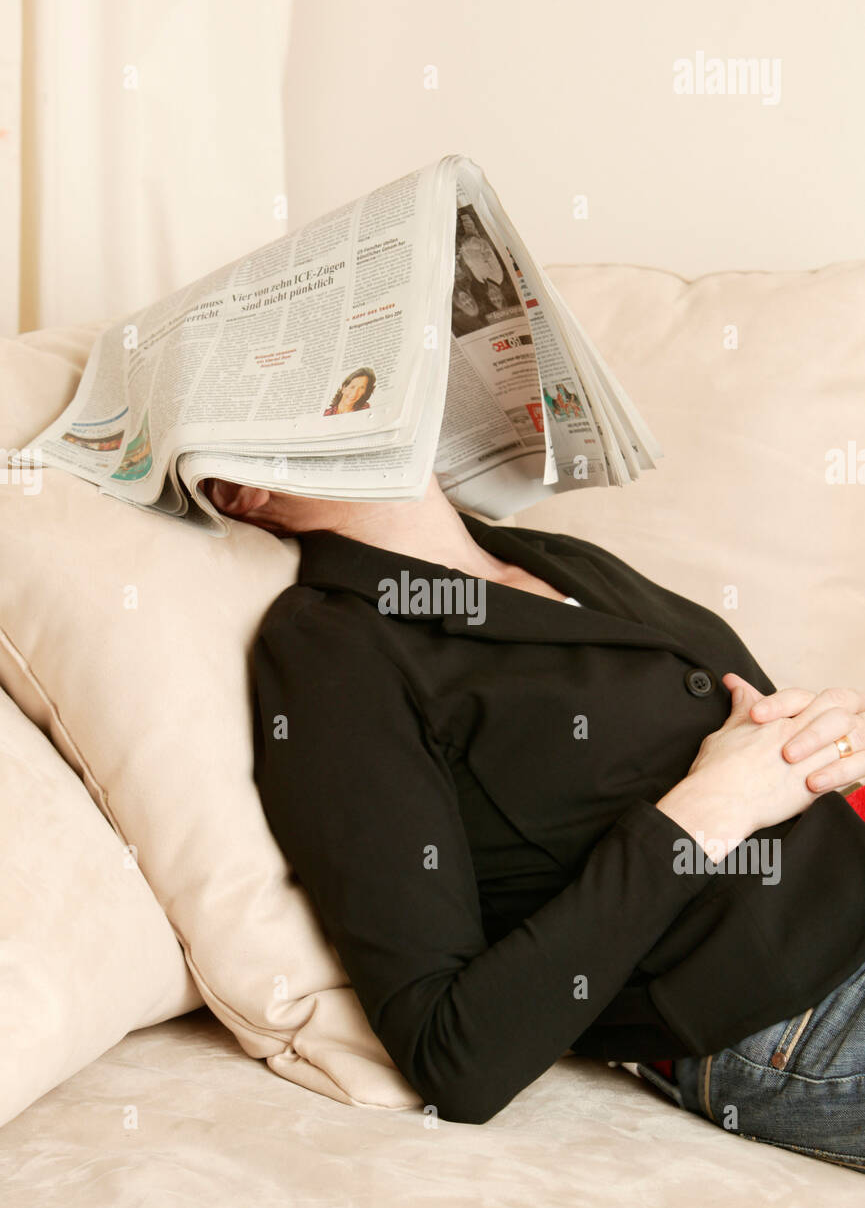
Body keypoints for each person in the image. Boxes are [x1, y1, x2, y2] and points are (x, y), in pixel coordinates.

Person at [207, 473, 865, 1165]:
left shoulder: (547, 557)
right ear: (236, 490)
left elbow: (758, 738)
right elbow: (453, 1058)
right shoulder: (329, 648)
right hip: (804, 1014)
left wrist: (829, 738)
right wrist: (706, 814)